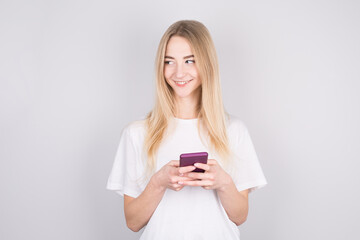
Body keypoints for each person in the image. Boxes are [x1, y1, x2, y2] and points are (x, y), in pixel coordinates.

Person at [106, 20, 267, 240]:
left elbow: (240, 216)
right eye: (169, 61)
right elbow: (133, 222)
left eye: (189, 60)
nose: (179, 72)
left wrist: (223, 183)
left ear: (207, 64)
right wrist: (158, 182)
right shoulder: (137, 133)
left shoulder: (233, 131)